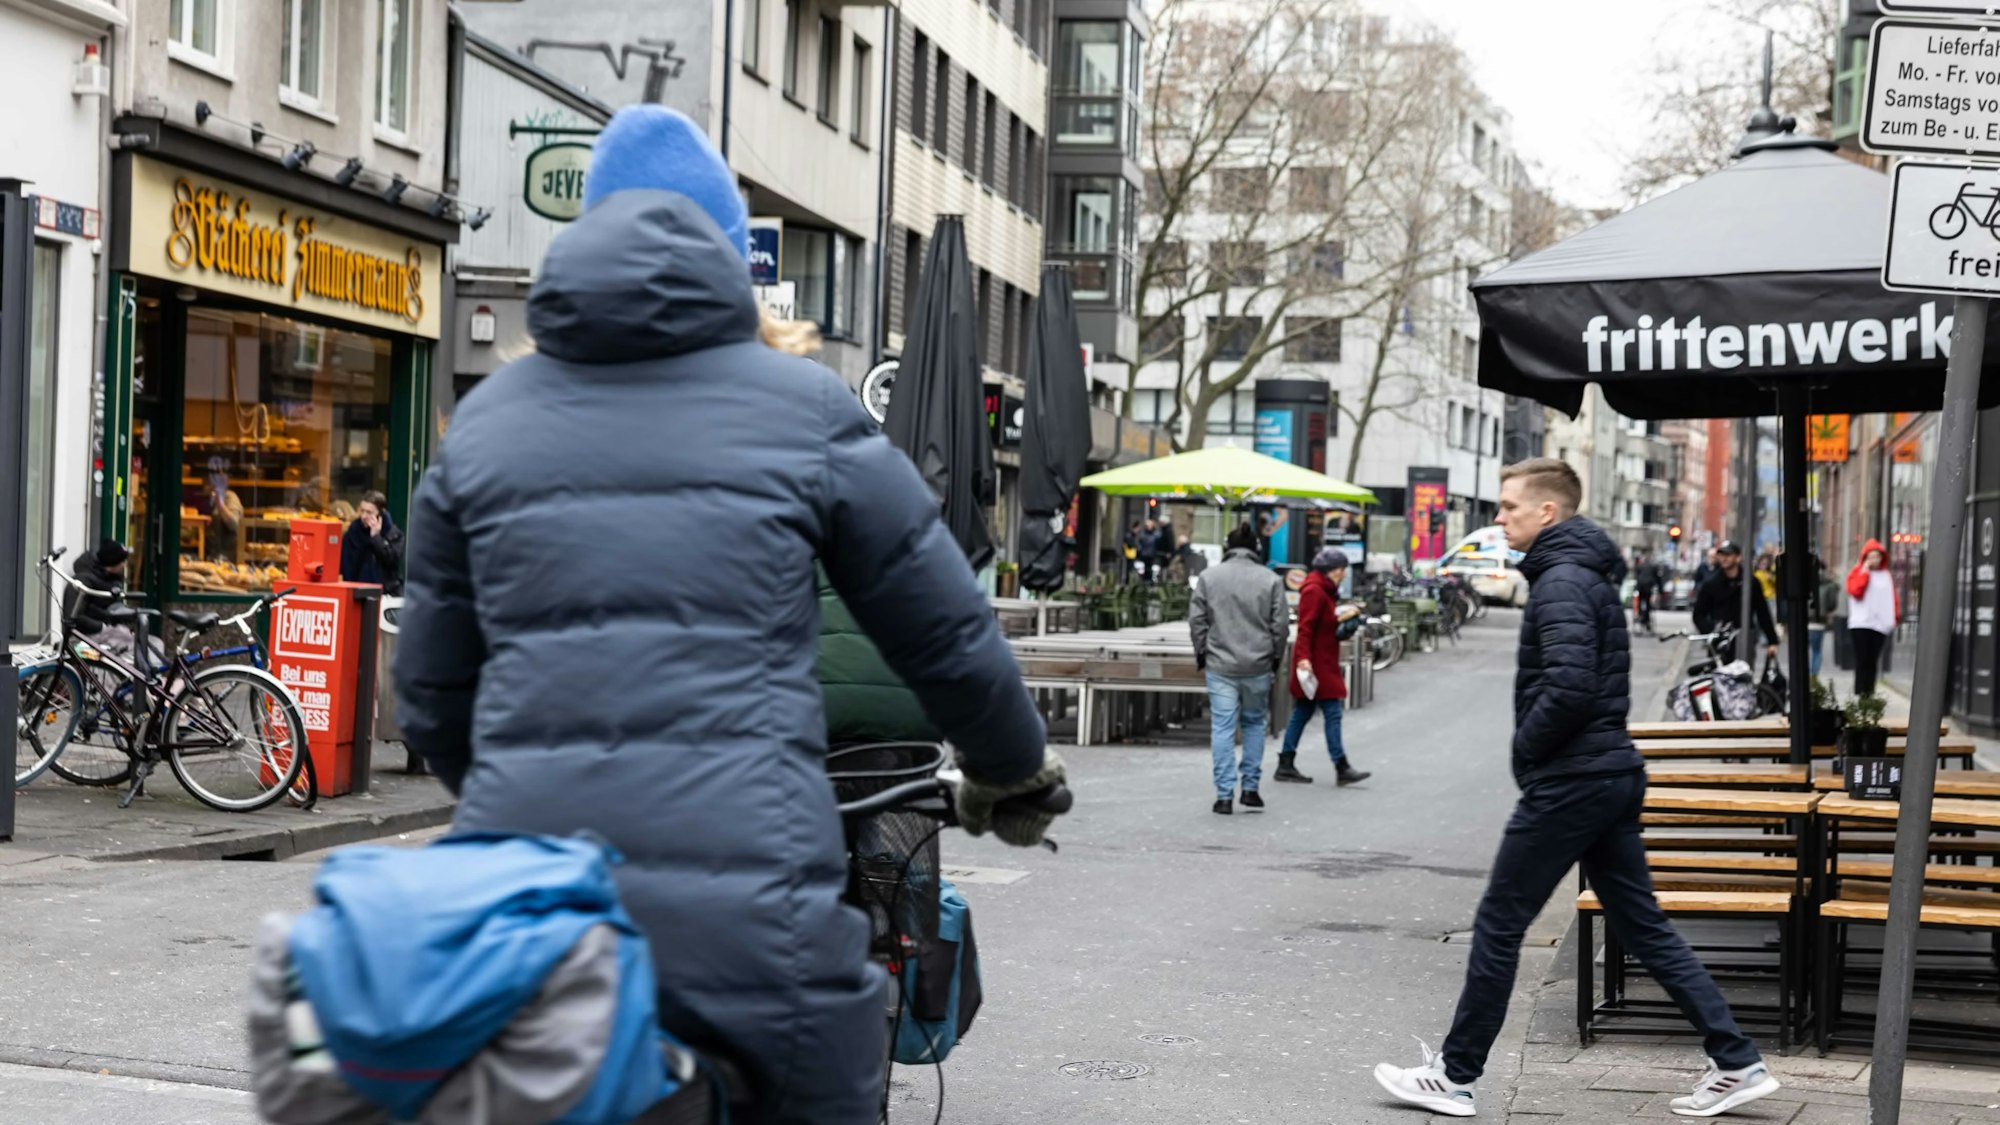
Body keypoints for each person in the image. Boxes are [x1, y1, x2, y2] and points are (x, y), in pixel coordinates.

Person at [394, 105, 1066, 1125]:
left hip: (526, 922)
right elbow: (942, 627)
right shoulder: (803, 409)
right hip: (756, 935)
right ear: (726, 258)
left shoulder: (485, 422)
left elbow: (434, 697)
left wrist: (519, 794)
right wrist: (1011, 770)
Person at [1374, 458, 1777, 1120]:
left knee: (1501, 922)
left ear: (1547, 512)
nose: (1498, 517)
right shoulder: (1582, 575)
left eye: (1507, 506)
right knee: (1643, 924)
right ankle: (1736, 1059)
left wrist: (1526, 749)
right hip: (1609, 772)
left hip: (1573, 778)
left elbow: (1569, 684)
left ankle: (1454, 1075)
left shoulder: (1560, 580)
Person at [1189, 521, 1288, 815]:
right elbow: (1280, 626)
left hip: (1220, 664)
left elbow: (1197, 621)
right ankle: (1250, 789)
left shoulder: (1209, 578)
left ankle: (1223, 795)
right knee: (1255, 723)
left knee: (1222, 727)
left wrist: (1203, 652)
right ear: (1256, 549)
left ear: (1228, 548)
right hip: (1257, 664)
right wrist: (1275, 657)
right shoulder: (1270, 580)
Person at [1274, 547, 1372, 786]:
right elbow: (1305, 628)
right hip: (1317, 663)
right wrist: (1303, 660)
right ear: (1331, 571)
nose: (1344, 575)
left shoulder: (1322, 590)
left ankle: (1286, 763)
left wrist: (1341, 620)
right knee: (1332, 712)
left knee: (1303, 712)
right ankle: (1341, 765)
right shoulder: (1315, 591)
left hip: (1322, 658)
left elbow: (1320, 624)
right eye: (1341, 570)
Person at [62, 539, 159, 667]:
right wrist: (103, 626)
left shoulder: (108, 579)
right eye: (122, 562)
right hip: (86, 636)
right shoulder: (82, 582)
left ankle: (150, 681)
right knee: (132, 647)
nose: (125, 565)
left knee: (155, 643)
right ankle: (125, 683)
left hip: (104, 630)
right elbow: (74, 616)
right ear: (112, 563)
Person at [1690, 542, 1779, 665]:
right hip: (1719, 642)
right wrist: (1711, 632)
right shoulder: (1711, 584)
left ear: (1738, 557)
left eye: (1728, 555)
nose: (1724, 558)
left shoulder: (1750, 583)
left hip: (1744, 639)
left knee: (1743, 678)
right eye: (1721, 555)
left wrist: (1772, 641)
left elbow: (1762, 612)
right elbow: (1698, 614)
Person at [1846, 539, 1898, 698]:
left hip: (1879, 625)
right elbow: (1855, 591)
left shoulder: (1886, 576)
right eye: (1871, 556)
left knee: (1873, 660)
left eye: (1877, 556)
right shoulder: (1857, 572)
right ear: (1865, 557)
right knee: (1862, 659)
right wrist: (1865, 572)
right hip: (1860, 623)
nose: (1875, 559)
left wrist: (1894, 618)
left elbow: (1891, 598)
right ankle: (1860, 692)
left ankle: (1869, 692)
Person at [339, 490, 405, 596]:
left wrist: (376, 538)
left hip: (384, 595)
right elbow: (341, 563)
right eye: (362, 511)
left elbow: (392, 560)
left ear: (380, 513)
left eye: (369, 512)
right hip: (355, 593)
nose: (364, 516)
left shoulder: (393, 534)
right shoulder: (353, 533)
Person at [1632, 550, 1659, 634]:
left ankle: (1640, 616)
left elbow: (1636, 577)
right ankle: (1646, 620)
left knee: (1640, 602)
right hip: (1648, 587)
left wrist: (1635, 588)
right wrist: (1660, 589)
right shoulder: (1653, 567)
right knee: (1648, 603)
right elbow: (1657, 579)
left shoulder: (1640, 566)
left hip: (1640, 587)